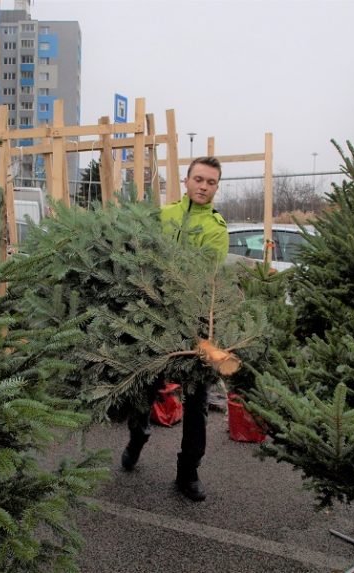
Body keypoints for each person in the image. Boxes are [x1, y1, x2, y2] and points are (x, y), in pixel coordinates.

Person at [121, 156, 228, 502]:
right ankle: (138, 435)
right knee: (141, 390)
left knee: (197, 402)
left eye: (210, 182)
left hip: (195, 326)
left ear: (216, 187)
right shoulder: (163, 216)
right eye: (198, 179)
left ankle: (189, 472)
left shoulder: (216, 228)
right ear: (186, 180)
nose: (203, 186)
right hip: (155, 321)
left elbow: (202, 274)